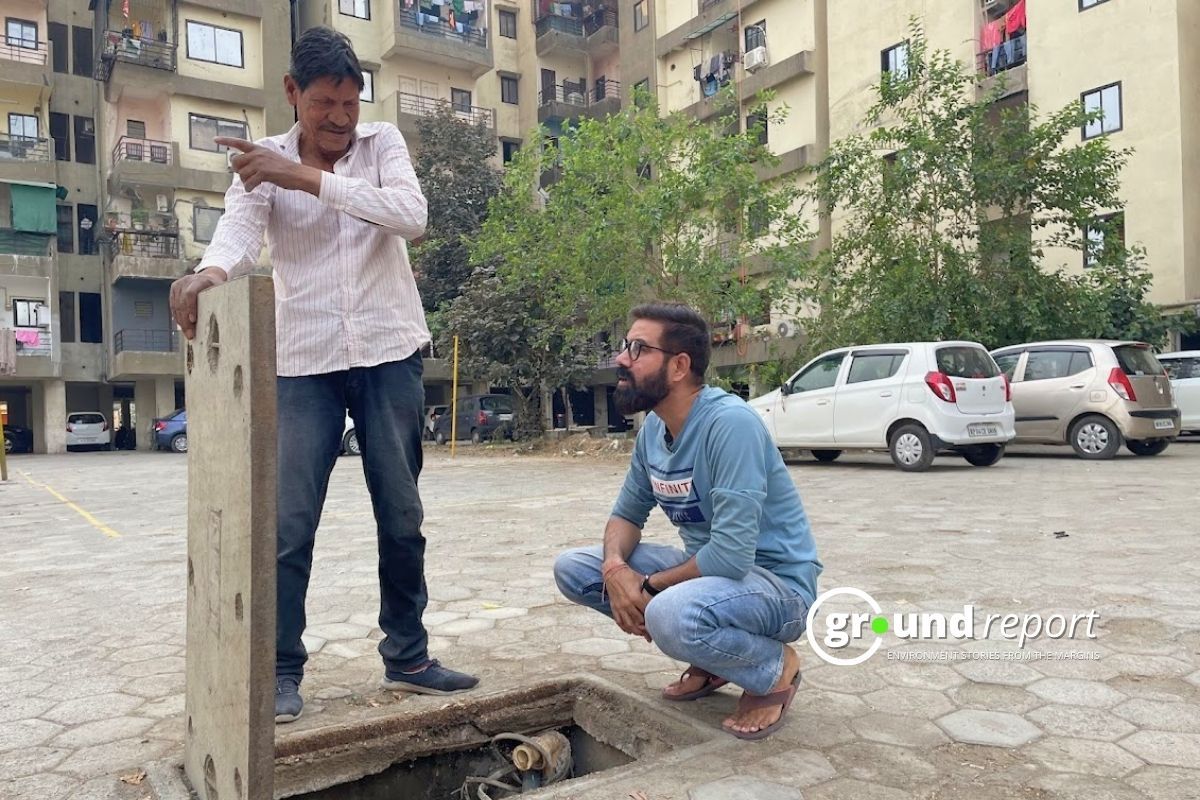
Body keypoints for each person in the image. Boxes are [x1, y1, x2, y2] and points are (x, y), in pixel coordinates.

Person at [169, 26, 478, 724]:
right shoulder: (260, 163)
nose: (340, 119)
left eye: (350, 103)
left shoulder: (384, 145)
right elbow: (240, 237)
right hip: (303, 360)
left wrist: (308, 178)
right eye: (324, 105)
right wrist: (204, 275)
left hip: (388, 350)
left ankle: (408, 655)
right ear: (292, 95)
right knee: (288, 525)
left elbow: (412, 216)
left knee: (401, 515)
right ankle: (281, 670)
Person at [554, 303, 821, 740]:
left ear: (679, 366)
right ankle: (715, 659)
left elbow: (732, 556)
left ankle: (774, 668)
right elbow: (625, 515)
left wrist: (648, 587)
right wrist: (615, 569)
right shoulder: (653, 434)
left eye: (638, 349)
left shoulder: (729, 424)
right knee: (574, 569)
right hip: (713, 579)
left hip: (778, 587)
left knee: (670, 613)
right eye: (626, 347)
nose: (622, 359)